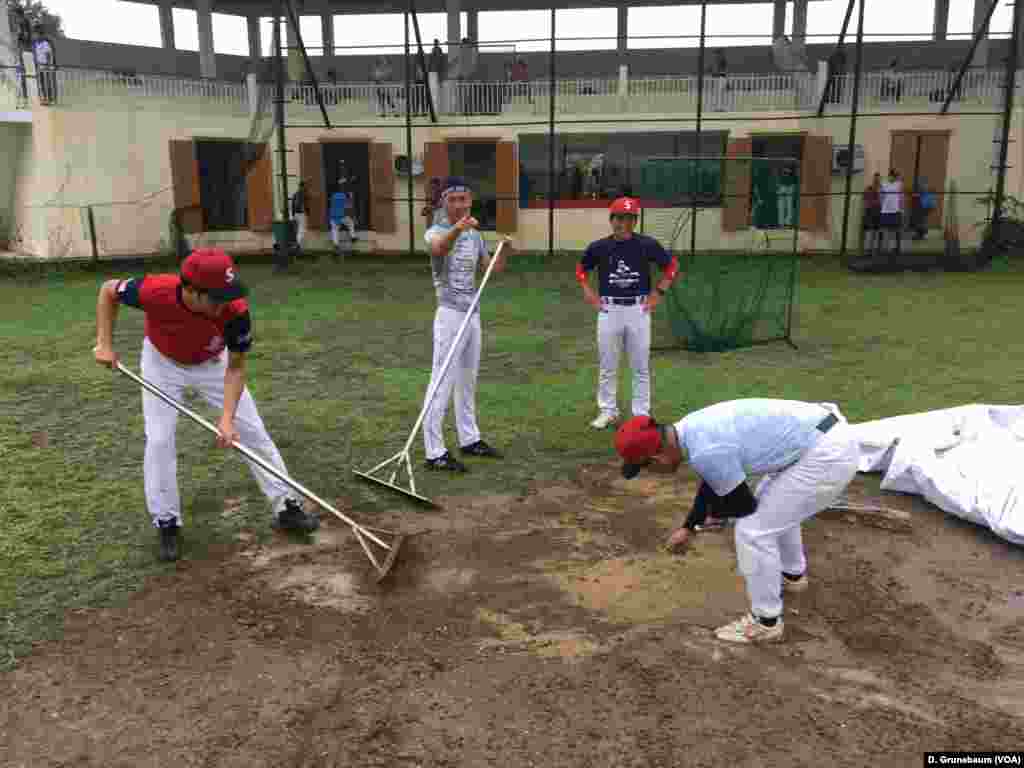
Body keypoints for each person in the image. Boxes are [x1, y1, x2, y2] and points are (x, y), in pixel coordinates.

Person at [92, 248, 320, 562]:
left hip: (214, 365)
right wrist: (104, 343)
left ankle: (287, 506)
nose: (224, 303)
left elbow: (236, 368)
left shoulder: (235, 311)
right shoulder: (155, 291)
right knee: (159, 440)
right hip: (162, 364)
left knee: (252, 431)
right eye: (216, 297)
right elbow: (108, 290)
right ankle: (167, 522)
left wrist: (226, 418)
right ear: (191, 291)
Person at [613, 400, 858, 644]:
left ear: (657, 458)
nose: (650, 472)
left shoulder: (704, 451)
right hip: (819, 434)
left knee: (753, 530)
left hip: (826, 454)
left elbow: (743, 505)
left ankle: (766, 622)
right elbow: (715, 480)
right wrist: (690, 527)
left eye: (644, 467)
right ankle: (792, 576)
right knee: (774, 509)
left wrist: (712, 520)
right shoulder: (689, 428)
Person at [421, 176, 511, 471]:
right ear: (444, 203)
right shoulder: (436, 230)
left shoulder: (475, 236)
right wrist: (458, 229)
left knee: (467, 380)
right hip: (448, 315)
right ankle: (434, 452)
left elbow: (491, 269)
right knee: (441, 381)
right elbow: (438, 250)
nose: (459, 204)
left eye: (464, 199)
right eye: (453, 199)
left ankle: (469, 438)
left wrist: (504, 249)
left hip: (472, 314)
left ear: (470, 201)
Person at [578, 197, 679, 430]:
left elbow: (671, 266)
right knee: (608, 364)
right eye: (619, 218)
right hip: (609, 309)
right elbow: (581, 269)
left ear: (635, 222)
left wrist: (659, 292)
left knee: (640, 365)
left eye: (629, 219)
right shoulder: (599, 247)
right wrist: (588, 293)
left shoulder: (646, 245)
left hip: (638, 309)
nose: (623, 223)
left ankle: (641, 414)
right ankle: (608, 410)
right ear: (611, 220)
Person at [879, 168, 904, 255]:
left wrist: (901, 208)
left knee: (897, 230)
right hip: (885, 211)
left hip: (896, 211)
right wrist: (883, 206)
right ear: (890, 176)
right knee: (884, 230)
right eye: (894, 176)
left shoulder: (899, 184)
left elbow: (901, 196)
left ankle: (897, 248)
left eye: (896, 176)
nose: (895, 178)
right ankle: (884, 248)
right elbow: (881, 196)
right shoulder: (884, 184)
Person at [328, 186, 357, 259]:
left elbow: (331, 205)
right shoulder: (345, 196)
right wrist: (353, 217)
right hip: (341, 216)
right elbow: (348, 208)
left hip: (333, 217)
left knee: (334, 230)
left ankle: (336, 245)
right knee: (351, 223)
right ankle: (353, 236)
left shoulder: (333, 196)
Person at [862, 172, 882, 254]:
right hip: (870, 211)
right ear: (873, 179)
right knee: (869, 231)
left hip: (878, 211)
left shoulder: (882, 188)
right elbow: (865, 201)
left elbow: (883, 200)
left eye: (878, 178)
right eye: (875, 178)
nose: (877, 180)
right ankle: (868, 249)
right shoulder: (869, 188)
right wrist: (865, 210)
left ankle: (875, 249)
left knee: (877, 231)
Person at [291, 181, 307, 251]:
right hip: (301, 214)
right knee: (302, 230)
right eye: (304, 186)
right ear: (303, 186)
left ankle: (297, 245)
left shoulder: (295, 194)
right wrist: (304, 211)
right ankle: (297, 245)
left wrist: (293, 214)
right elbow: (301, 204)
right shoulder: (302, 194)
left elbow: (292, 205)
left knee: (297, 230)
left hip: (296, 214)